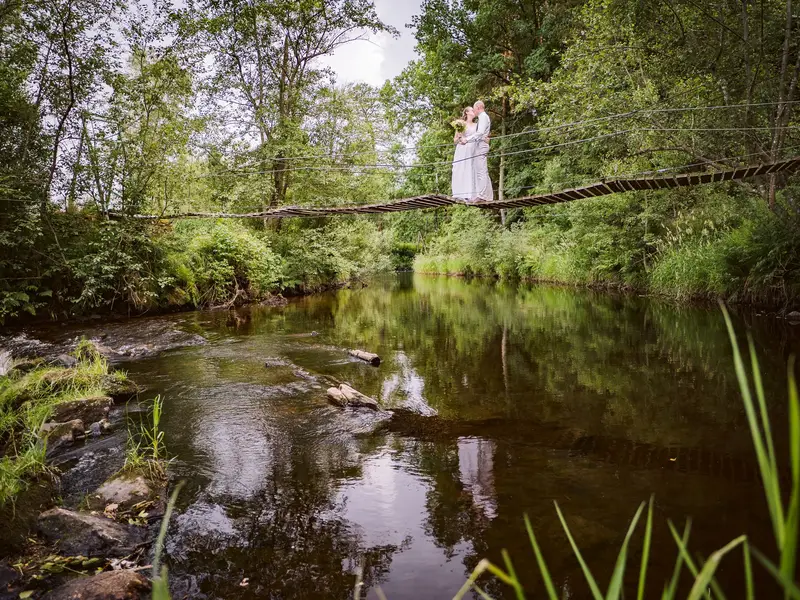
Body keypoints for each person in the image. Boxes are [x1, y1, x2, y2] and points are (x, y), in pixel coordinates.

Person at [465, 100, 493, 201]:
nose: (474, 112)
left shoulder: (483, 117)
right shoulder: (482, 117)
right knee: (482, 171)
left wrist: (467, 139)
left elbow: (480, 132)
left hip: (481, 145)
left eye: (474, 109)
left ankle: (482, 196)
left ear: (478, 107)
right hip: (480, 144)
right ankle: (488, 196)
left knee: (481, 172)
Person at [451, 106, 477, 200]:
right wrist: (460, 137)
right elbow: (455, 140)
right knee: (461, 169)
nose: (474, 112)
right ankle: (460, 193)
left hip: (473, 149)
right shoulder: (461, 124)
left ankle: (471, 194)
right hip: (462, 149)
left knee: (471, 169)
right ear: (467, 112)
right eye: (472, 110)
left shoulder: (476, 125)